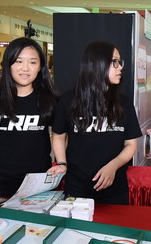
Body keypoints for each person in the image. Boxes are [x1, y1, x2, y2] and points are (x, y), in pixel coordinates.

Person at [50, 41, 140, 205]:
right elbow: (59, 136)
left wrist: (113, 166)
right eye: (114, 62)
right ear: (97, 63)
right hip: (77, 187)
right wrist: (62, 163)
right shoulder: (69, 100)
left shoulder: (123, 103)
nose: (120, 67)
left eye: (120, 62)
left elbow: (131, 144)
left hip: (115, 188)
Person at [0, 37, 58, 197]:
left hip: (38, 186)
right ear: (8, 64)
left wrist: (62, 163)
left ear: (40, 67)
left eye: (32, 62)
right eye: (19, 61)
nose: (25, 68)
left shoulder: (50, 99)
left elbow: (61, 135)